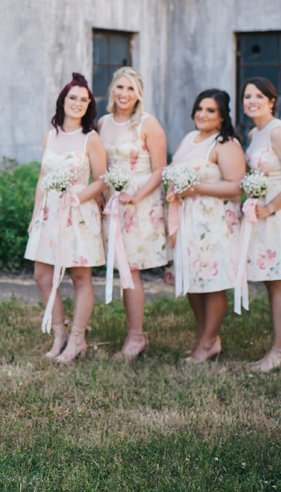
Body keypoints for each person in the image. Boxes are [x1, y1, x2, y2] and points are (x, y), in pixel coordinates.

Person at [25, 73, 107, 365]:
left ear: (89, 106)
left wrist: (78, 198)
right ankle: (58, 333)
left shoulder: (91, 139)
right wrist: (36, 216)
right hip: (49, 214)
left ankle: (77, 338)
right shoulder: (51, 135)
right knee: (42, 275)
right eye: (73, 97)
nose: (78, 103)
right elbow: (42, 179)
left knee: (80, 277)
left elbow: (101, 180)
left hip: (78, 214)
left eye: (84, 100)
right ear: (63, 100)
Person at [97, 67, 168, 359]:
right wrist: (102, 196)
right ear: (112, 90)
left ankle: (136, 336)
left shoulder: (148, 124)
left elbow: (160, 170)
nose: (124, 94)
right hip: (112, 202)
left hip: (139, 203)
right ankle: (133, 332)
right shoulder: (103, 122)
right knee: (122, 269)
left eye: (130, 89)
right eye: (119, 87)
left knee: (132, 270)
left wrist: (135, 196)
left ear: (138, 94)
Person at [168, 90, 244, 363]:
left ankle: (209, 340)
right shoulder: (189, 139)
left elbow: (237, 185)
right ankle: (203, 339)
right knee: (193, 282)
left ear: (222, 116)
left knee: (212, 284)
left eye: (210, 110)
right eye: (200, 108)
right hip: (188, 220)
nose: (202, 114)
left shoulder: (225, 144)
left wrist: (195, 188)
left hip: (215, 223)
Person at [240, 77, 281, 372]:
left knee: (279, 283)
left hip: (280, 213)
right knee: (272, 281)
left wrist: (269, 207)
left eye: (258, 96)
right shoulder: (255, 133)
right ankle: (280, 348)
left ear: (271, 101)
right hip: (263, 213)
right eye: (247, 96)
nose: (251, 101)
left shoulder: (279, 131)